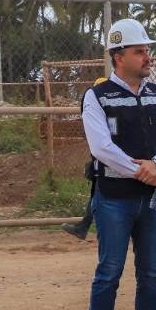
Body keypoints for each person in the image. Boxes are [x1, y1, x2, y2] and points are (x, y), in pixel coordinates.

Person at [82, 19, 156, 310]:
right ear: (118, 56)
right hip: (114, 199)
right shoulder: (97, 97)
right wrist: (147, 173)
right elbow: (101, 148)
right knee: (109, 273)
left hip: (151, 201)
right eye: (139, 51)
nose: (147, 57)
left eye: (147, 51)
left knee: (151, 274)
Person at [62, 77, 108, 240]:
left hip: (108, 161)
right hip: (104, 159)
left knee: (100, 194)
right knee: (98, 193)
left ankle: (85, 227)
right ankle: (84, 226)